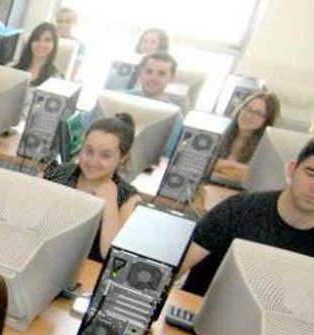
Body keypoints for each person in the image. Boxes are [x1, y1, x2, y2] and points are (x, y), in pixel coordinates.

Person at [180, 132, 314, 295]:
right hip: (197, 319)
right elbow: (178, 266)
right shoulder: (239, 209)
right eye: (311, 173)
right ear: (292, 169)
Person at [44, 115, 143, 261]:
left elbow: (110, 257)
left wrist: (110, 202)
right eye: (88, 151)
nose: (93, 161)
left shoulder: (128, 198)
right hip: (46, 258)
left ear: (122, 157)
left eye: (105, 156)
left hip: (85, 273)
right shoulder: (57, 173)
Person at [213, 91, 282, 182]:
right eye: (248, 109)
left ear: (266, 122)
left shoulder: (265, 151)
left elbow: (252, 178)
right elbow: (201, 164)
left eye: (258, 113)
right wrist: (236, 167)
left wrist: (220, 165)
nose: (249, 115)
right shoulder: (218, 136)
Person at [127, 51, 184, 158]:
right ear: (141, 73)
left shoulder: (175, 116)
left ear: (172, 78)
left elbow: (165, 156)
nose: (153, 78)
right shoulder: (120, 98)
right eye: (149, 72)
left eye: (161, 74)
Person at [10, 22, 60, 87]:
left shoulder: (55, 78)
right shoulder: (13, 69)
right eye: (37, 39)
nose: (41, 44)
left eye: (47, 40)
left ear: (54, 45)